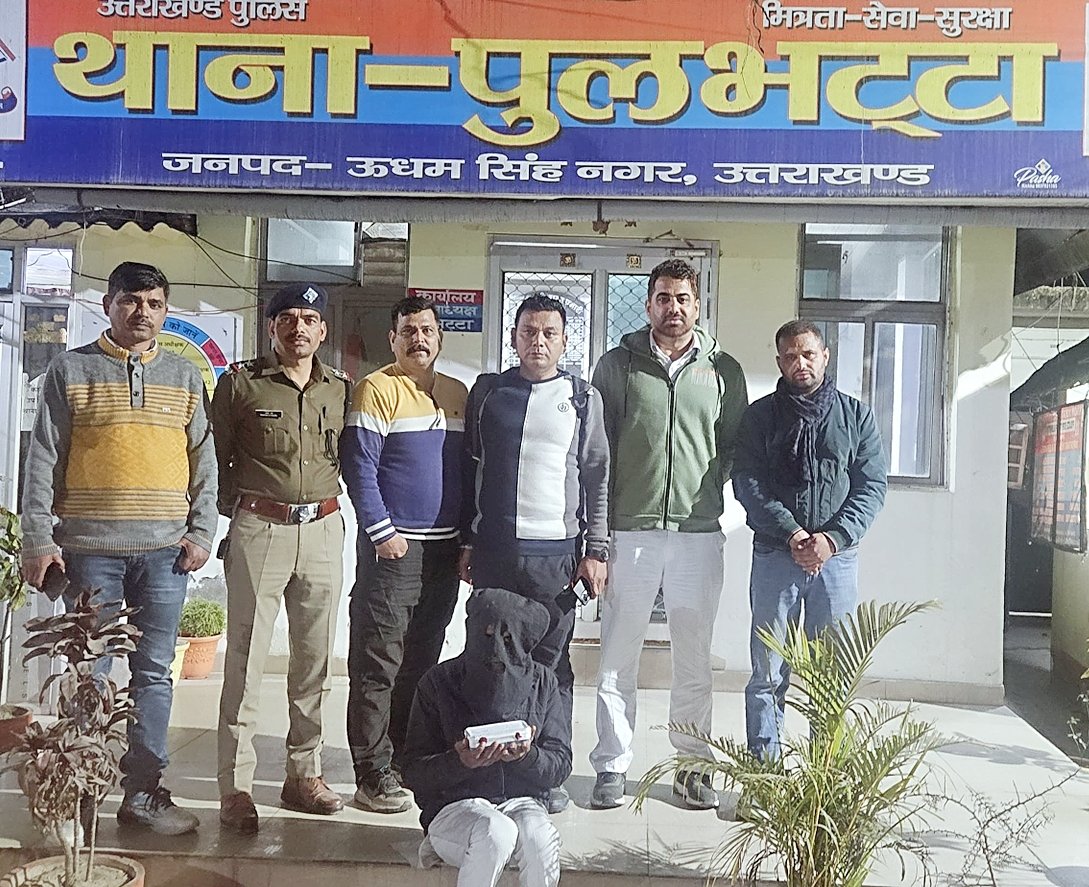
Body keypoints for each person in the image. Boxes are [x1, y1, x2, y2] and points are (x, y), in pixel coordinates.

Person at [20, 260, 216, 836]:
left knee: (153, 675)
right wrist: (38, 538)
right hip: (89, 551)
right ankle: (79, 797)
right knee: (91, 672)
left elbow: (204, 459)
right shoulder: (70, 369)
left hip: (165, 554)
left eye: (154, 303)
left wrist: (201, 531)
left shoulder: (184, 375)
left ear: (165, 311)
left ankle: (144, 795)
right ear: (108, 304)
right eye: (130, 300)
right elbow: (43, 457)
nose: (142, 312)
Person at [589, 258, 748, 811]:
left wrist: (699, 494)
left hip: (697, 534)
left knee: (694, 658)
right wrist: (600, 534)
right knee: (617, 655)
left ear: (697, 305)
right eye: (663, 297)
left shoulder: (723, 369)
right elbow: (598, 449)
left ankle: (692, 768)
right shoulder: (618, 365)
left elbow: (733, 445)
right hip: (629, 531)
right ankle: (612, 765)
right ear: (648, 303)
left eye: (682, 298)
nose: (672, 307)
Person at [460, 293, 610, 813]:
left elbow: (597, 478)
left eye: (549, 333)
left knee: (550, 665)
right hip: (496, 552)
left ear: (565, 341)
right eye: (528, 331)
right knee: (491, 661)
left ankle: (547, 774)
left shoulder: (582, 398)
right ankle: (492, 771)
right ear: (514, 337)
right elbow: (470, 470)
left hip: (556, 557)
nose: (538, 342)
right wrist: (467, 541)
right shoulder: (488, 393)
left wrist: (596, 550)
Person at [211, 282, 351, 833]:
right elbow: (215, 457)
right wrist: (241, 511)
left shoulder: (339, 388)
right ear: (272, 327)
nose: (298, 328)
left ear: (323, 330)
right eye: (287, 318)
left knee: (314, 660)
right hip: (260, 529)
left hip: (323, 529)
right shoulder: (240, 384)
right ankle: (236, 786)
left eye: (309, 319)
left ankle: (303, 775)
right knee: (245, 659)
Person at [732, 319, 887, 762]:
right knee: (767, 671)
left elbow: (872, 486)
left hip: (836, 562)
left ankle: (825, 772)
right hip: (775, 556)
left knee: (831, 673)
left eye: (808, 354)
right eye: (790, 356)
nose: (800, 363)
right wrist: (794, 533)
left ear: (825, 356)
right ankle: (765, 771)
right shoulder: (760, 417)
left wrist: (832, 539)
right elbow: (747, 482)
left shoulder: (856, 417)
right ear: (779, 362)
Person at [340, 295, 467, 813]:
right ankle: (371, 771)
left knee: (421, 659)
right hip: (393, 550)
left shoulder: (457, 393)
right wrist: (382, 532)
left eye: (427, 330)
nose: (419, 339)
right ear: (393, 339)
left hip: (443, 553)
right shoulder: (376, 388)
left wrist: (466, 541)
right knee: (378, 661)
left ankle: (402, 757)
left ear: (439, 338)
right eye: (408, 331)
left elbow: (469, 471)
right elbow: (359, 467)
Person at [401, 587, 570, 887]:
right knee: (496, 832)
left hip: (522, 802)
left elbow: (559, 764)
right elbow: (413, 771)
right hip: (454, 807)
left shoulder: (543, 683)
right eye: (486, 636)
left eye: (507, 640)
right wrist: (460, 762)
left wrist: (527, 756)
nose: (495, 650)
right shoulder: (438, 683)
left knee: (540, 839)